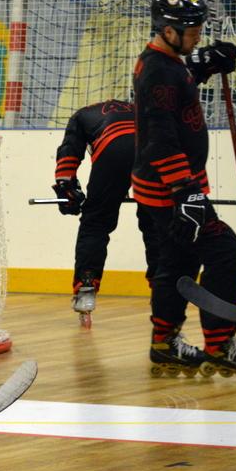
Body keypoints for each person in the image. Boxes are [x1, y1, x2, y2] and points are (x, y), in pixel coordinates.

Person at [132, 0, 236, 380]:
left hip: (166, 187)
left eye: (198, 30)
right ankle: (220, 343)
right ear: (166, 29)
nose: (197, 37)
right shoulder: (159, 70)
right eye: (190, 32)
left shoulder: (165, 62)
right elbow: (160, 135)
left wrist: (203, 65)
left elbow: (176, 87)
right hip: (172, 190)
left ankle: (164, 342)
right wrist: (185, 192)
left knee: (179, 262)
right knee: (225, 250)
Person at [52, 99, 160, 327]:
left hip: (113, 149)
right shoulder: (139, 107)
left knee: (96, 224)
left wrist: (67, 189)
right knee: (155, 223)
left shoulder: (81, 115)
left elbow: (68, 153)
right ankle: (162, 287)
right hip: (152, 149)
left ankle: (86, 287)